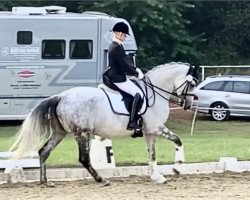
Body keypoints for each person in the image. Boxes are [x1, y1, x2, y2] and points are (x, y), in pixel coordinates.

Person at [105, 21, 144, 137]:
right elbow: (124, 66)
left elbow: (124, 64)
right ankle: (132, 122)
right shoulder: (116, 47)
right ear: (118, 34)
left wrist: (135, 69)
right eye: (124, 35)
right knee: (138, 94)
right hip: (118, 77)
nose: (125, 37)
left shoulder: (116, 46)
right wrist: (136, 73)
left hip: (115, 75)